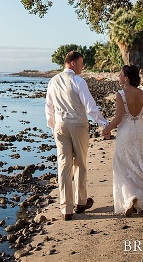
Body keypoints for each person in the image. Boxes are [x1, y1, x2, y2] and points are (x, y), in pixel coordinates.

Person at [45, 50, 109, 221]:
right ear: (72, 63)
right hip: (78, 125)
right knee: (80, 163)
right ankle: (80, 202)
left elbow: (48, 108)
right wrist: (104, 124)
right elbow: (90, 107)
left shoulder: (53, 81)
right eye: (81, 63)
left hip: (60, 126)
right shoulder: (77, 81)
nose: (82, 66)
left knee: (64, 166)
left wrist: (53, 128)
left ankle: (66, 208)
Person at [102, 65, 143, 216]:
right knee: (139, 164)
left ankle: (129, 198)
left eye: (120, 74)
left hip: (125, 133)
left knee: (123, 166)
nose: (118, 77)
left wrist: (106, 129)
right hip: (139, 132)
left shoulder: (121, 94)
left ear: (127, 78)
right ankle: (137, 198)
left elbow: (118, 118)